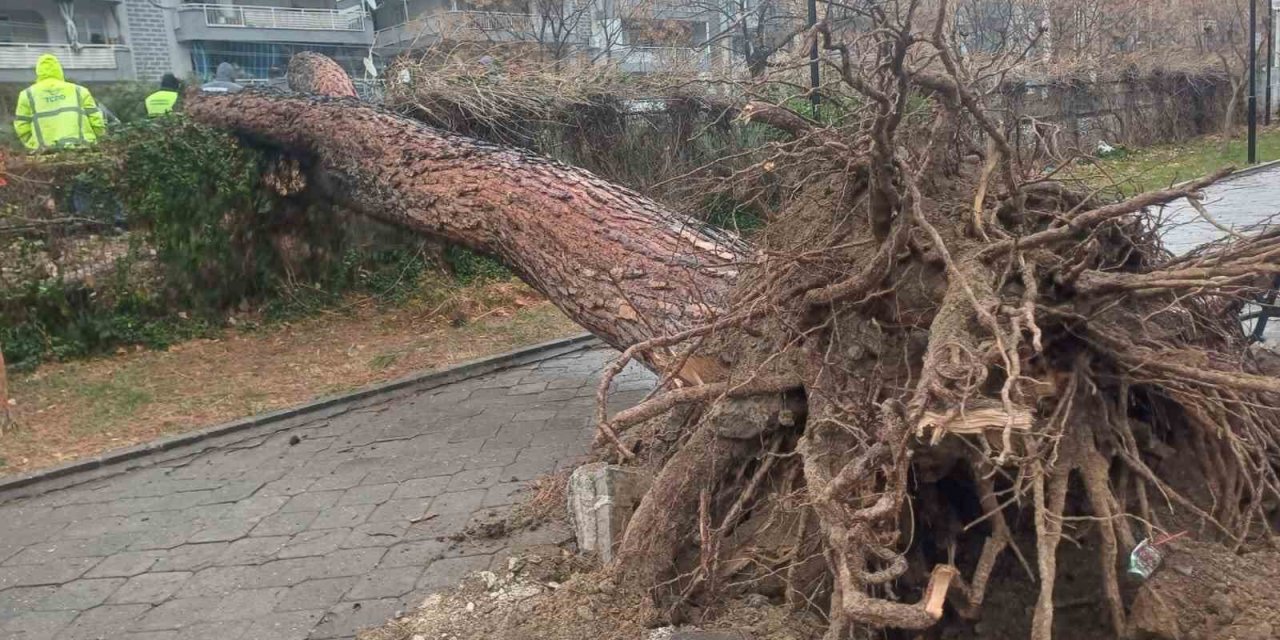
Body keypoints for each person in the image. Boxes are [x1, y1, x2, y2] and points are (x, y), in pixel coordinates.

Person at [12, 54, 106, 153]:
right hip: (82, 149)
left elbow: (22, 127)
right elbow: (96, 120)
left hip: (44, 152)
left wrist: (34, 145)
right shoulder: (79, 90)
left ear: (38, 71)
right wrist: (97, 140)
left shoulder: (27, 94)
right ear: (59, 69)